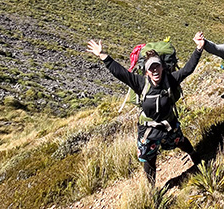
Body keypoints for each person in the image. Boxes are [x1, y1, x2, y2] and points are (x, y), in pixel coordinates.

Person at [86, 34, 205, 184]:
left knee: (180, 141)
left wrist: (199, 49)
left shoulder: (171, 80)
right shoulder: (140, 83)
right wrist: (103, 55)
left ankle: (195, 157)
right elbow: (120, 73)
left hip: (168, 123)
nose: (155, 70)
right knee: (149, 158)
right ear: (146, 70)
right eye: (151, 68)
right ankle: (151, 189)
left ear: (162, 67)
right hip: (148, 128)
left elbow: (188, 69)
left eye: (157, 66)